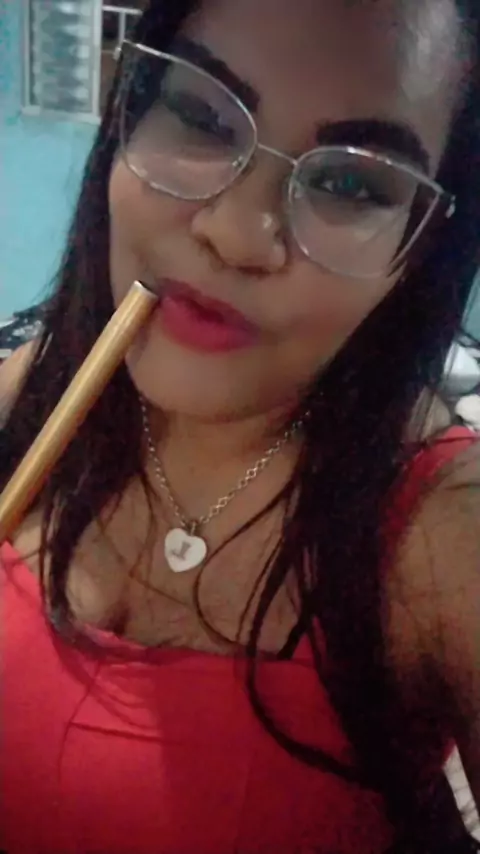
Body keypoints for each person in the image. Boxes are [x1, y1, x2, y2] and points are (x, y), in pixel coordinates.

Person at [1, 0, 479, 851]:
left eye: (352, 184)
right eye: (200, 114)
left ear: (418, 253)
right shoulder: (29, 390)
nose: (233, 233)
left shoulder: (447, 538)